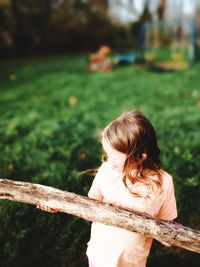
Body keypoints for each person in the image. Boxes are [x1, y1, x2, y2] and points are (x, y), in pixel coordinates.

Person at [86, 109, 177, 267]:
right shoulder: (106, 172)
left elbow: (167, 225)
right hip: (99, 256)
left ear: (140, 157)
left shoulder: (163, 183)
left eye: (114, 158)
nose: (109, 161)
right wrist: (56, 205)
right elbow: (88, 207)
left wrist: (173, 236)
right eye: (107, 155)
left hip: (132, 262)